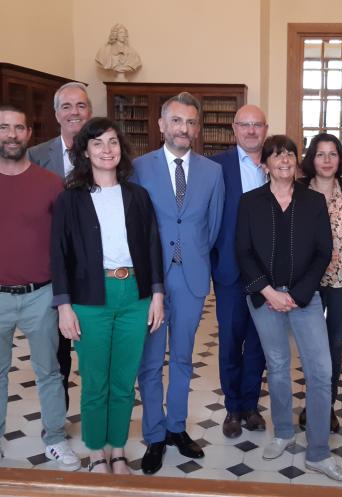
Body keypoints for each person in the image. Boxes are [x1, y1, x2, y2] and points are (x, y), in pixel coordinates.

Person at [0, 105, 80, 470]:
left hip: (41, 294)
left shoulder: (51, 184)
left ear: (28, 135)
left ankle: (55, 438)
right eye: (4, 128)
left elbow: (65, 242)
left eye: (19, 128)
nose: (12, 134)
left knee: (50, 372)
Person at [236, 134, 342, 483]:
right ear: (265, 164)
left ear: (296, 160)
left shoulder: (313, 200)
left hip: (306, 297)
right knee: (277, 365)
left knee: (319, 369)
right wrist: (269, 292)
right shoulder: (250, 202)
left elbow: (323, 251)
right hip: (264, 297)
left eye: (289, 154)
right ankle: (284, 432)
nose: (284, 160)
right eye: (276, 155)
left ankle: (318, 451)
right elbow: (242, 251)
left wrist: (299, 295)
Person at [50, 117, 164, 474]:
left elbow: (152, 246)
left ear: (121, 149)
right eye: (97, 143)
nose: (106, 150)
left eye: (113, 142)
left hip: (134, 294)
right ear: (85, 151)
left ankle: (117, 450)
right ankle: (96, 452)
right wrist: (64, 306)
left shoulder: (137, 196)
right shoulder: (70, 200)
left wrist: (157, 295)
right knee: (96, 379)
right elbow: (59, 253)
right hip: (89, 297)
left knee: (124, 378)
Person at [134, 92, 224, 474]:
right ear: (161, 125)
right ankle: (154, 435)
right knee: (151, 362)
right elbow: (134, 225)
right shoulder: (138, 167)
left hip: (191, 279)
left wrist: (195, 258)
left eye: (190, 122)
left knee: (184, 359)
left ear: (197, 128)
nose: (183, 128)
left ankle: (177, 428)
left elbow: (213, 227)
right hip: (152, 280)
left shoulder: (212, 171)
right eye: (176, 121)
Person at [28, 81, 93, 410]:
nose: (74, 112)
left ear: (90, 111)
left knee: (94, 349)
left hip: (94, 268)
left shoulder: (104, 152)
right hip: (49, 269)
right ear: (56, 114)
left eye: (80, 105)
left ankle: (98, 416)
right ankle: (57, 417)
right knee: (55, 350)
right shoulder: (36, 157)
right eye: (66, 106)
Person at [210, 105, 268, 438]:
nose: (250, 131)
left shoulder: (277, 163)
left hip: (267, 274)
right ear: (234, 128)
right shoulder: (216, 167)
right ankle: (232, 407)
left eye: (256, 125)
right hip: (230, 272)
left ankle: (251, 405)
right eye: (244, 125)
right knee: (231, 341)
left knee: (259, 343)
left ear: (265, 128)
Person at [297, 133, 342, 434]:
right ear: (312, 159)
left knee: (334, 345)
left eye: (332, 154)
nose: (326, 160)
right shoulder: (297, 190)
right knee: (311, 347)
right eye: (320, 154)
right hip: (306, 280)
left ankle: (326, 407)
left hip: (341, 280)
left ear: (340, 158)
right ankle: (311, 403)